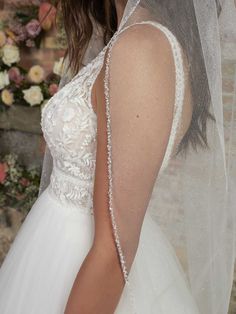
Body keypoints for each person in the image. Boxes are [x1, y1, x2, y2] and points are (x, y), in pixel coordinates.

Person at [0, 1, 235, 313]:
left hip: (85, 263)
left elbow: (113, 249)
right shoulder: (129, 36)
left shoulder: (142, 48)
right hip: (54, 248)